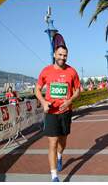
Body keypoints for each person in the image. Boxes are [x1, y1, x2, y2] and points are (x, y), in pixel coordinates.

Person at [35, 44, 80, 182]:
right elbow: (37, 89)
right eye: (60, 54)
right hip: (51, 112)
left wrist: (69, 100)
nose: (62, 57)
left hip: (65, 112)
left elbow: (78, 90)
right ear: (54, 54)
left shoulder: (72, 71)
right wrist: (43, 102)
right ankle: (54, 176)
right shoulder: (46, 71)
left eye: (65, 55)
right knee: (52, 142)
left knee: (63, 141)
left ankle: (60, 155)